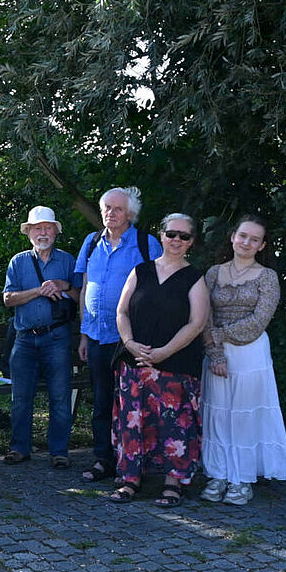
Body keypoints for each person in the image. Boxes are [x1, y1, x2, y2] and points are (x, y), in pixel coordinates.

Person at [109, 214, 209, 507]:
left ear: (192, 242)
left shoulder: (195, 277)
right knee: (133, 423)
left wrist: (165, 352)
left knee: (176, 425)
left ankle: (173, 483)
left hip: (176, 366)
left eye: (184, 236)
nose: (177, 240)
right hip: (135, 363)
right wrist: (129, 343)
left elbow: (197, 322)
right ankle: (130, 479)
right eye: (171, 234)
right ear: (161, 235)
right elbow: (122, 312)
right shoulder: (140, 270)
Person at [200, 215, 286, 505]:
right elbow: (203, 315)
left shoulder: (267, 277)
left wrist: (218, 335)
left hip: (251, 353)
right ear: (232, 237)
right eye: (243, 236)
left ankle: (241, 480)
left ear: (262, 245)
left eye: (254, 239)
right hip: (215, 352)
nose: (246, 242)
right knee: (216, 414)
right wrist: (214, 351)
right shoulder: (214, 273)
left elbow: (259, 321)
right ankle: (218, 474)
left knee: (243, 416)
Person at [75, 186, 163, 483]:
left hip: (130, 340)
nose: (110, 214)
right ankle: (104, 460)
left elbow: (159, 288)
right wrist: (84, 335)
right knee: (101, 401)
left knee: (131, 403)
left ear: (130, 214)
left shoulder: (146, 244)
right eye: (106, 208)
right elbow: (86, 288)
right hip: (97, 336)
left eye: (117, 209)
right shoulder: (90, 243)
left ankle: (134, 462)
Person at [2, 207, 79, 468]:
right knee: (21, 398)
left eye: (47, 227)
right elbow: (8, 299)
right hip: (24, 339)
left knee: (59, 397)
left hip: (57, 337)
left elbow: (82, 298)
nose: (43, 232)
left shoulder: (68, 261)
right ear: (29, 233)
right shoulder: (18, 262)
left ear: (56, 231)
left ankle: (59, 452)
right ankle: (19, 448)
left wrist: (63, 285)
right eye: (37, 228)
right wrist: (39, 291)